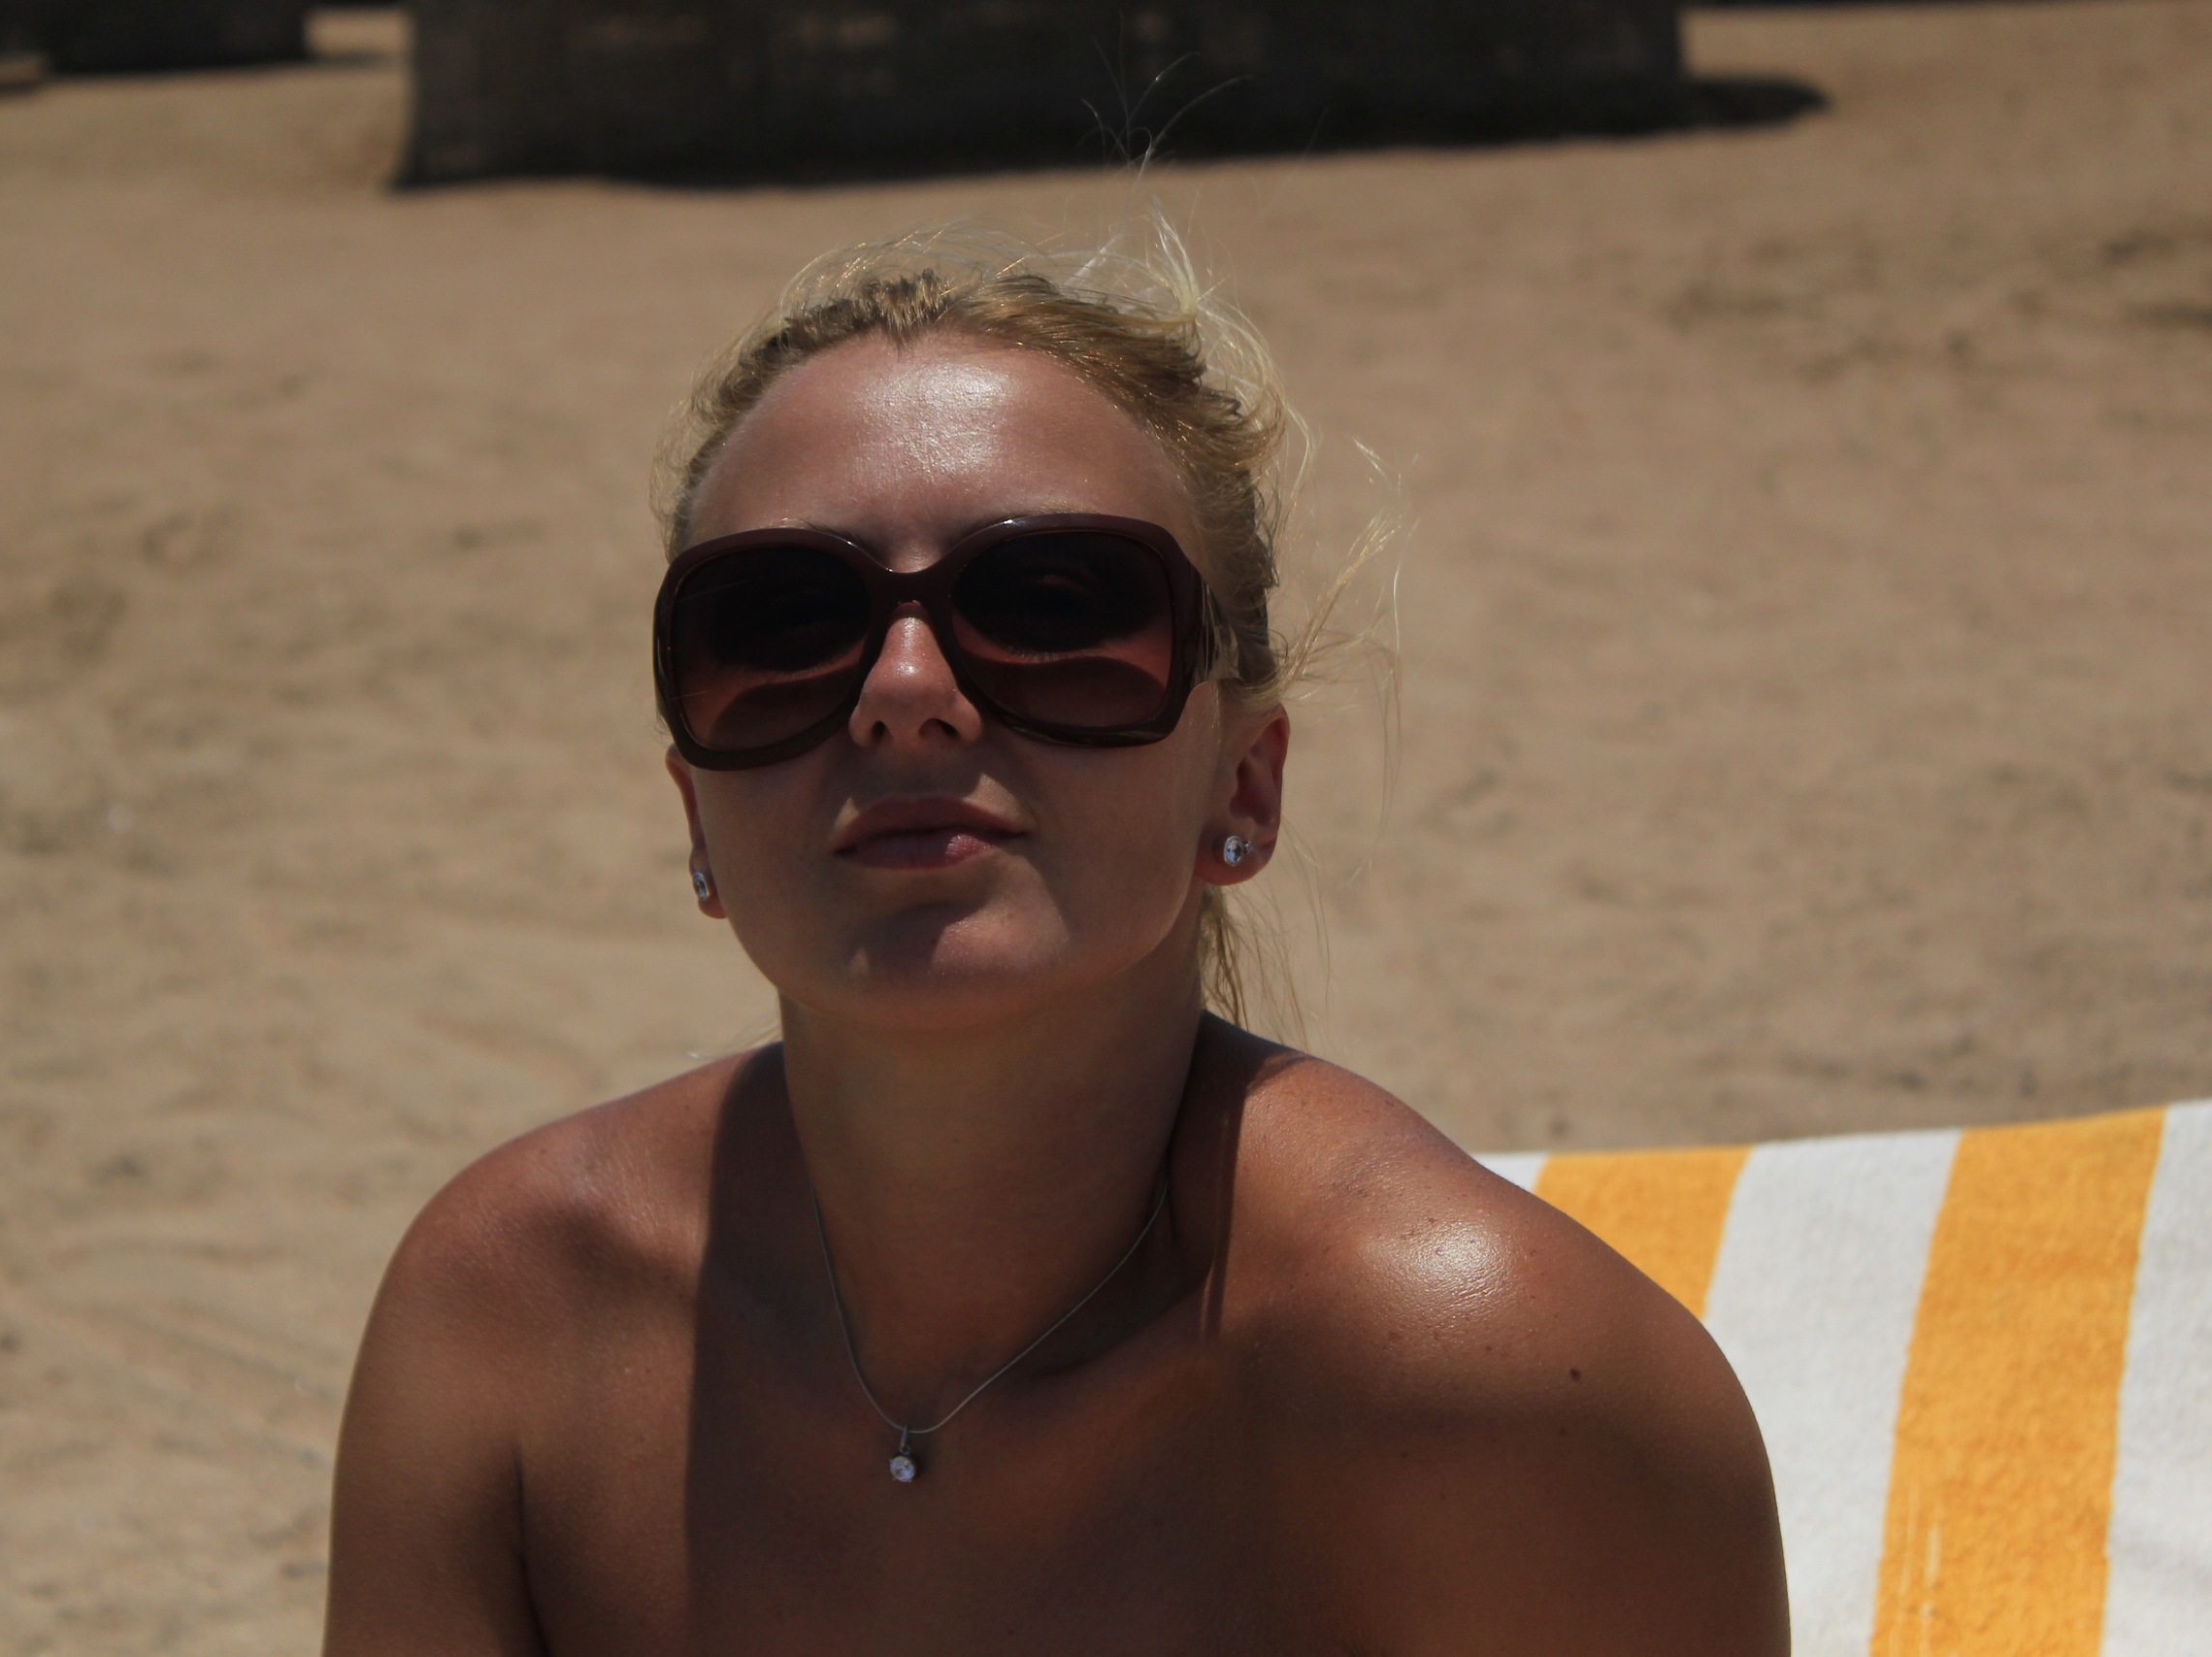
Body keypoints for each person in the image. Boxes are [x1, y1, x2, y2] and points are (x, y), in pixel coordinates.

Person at [323, 226, 1788, 1656]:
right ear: (694, 811)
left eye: (1052, 605)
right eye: (780, 624)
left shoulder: (1481, 1380)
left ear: (1243, 784)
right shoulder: (516, 1319)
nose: (905, 692)